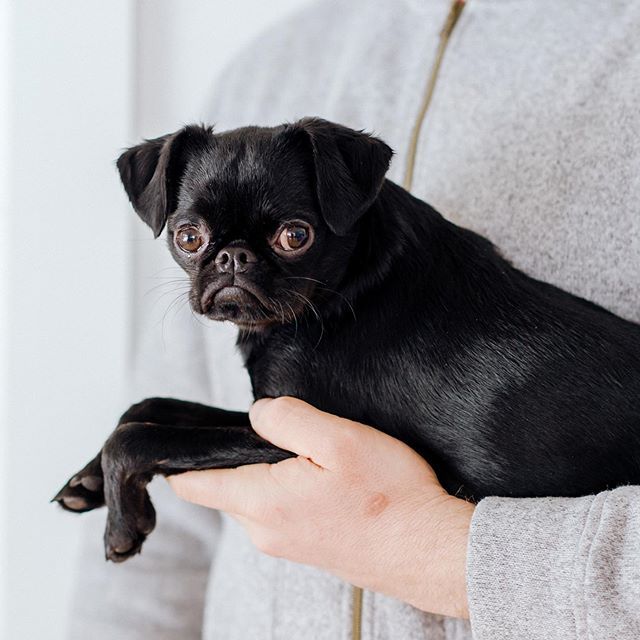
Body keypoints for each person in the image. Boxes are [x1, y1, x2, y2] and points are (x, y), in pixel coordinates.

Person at [68, 1, 640, 638]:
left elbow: (294, 455)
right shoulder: (268, 63)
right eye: (195, 243)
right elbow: (173, 551)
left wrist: (455, 559)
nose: (231, 265)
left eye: (289, 237)